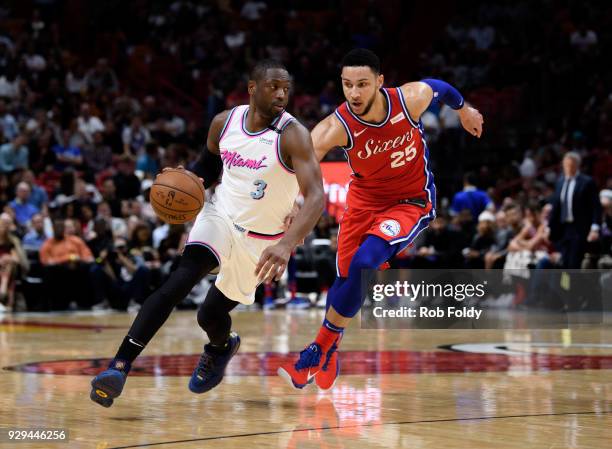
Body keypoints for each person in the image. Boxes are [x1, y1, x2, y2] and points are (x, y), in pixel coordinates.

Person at [90, 59, 325, 407]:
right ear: (251, 88)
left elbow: (317, 196)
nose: (281, 94)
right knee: (178, 281)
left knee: (209, 316)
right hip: (220, 216)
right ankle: (119, 366)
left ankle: (221, 346)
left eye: (286, 89)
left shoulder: (294, 135)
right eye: (273, 86)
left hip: (262, 242)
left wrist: (287, 244)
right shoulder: (224, 123)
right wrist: (189, 179)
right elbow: (209, 167)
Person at [278, 48, 483, 390]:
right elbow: (304, 163)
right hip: (362, 204)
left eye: (362, 84)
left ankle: (316, 351)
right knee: (345, 280)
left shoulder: (410, 100)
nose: (354, 93)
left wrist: (465, 109)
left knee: (364, 264)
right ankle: (331, 351)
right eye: (347, 85)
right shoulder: (336, 126)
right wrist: (294, 206)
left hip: (409, 201)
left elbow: (440, 87)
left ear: (380, 82)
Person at [548, 152, 601, 268]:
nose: (567, 168)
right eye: (565, 165)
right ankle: (564, 286)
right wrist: (549, 226)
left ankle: (571, 286)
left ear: (577, 165)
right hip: (563, 229)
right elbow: (556, 206)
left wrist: (595, 228)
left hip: (579, 228)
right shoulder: (560, 181)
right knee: (563, 262)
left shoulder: (587, 182)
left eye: (570, 165)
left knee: (573, 262)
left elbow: (596, 207)